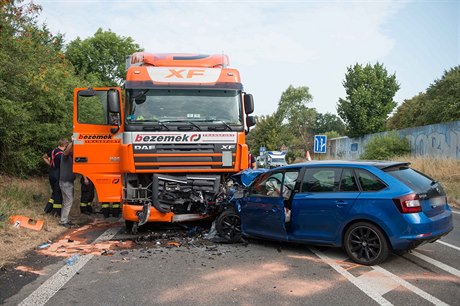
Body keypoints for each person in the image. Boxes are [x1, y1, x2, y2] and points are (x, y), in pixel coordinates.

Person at [42, 138, 68, 216]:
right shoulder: (61, 154)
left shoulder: (53, 151)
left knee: (54, 192)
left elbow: (44, 157)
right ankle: (56, 212)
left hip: (51, 173)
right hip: (58, 174)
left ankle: (47, 209)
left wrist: (50, 164)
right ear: (65, 145)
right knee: (58, 193)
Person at [59, 139, 76, 228]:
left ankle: (65, 219)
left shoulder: (70, 156)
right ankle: (63, 221)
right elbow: (66, 152)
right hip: (65, 182)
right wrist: (73, 142)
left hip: (68, 182)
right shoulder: (65, 155)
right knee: (68, 201)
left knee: (67, 201)